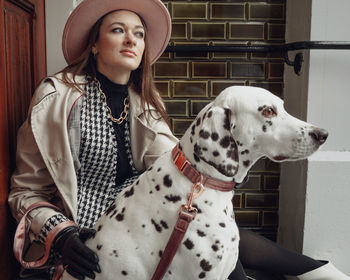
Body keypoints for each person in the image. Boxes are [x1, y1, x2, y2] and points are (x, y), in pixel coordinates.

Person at [8, 0, 350, 279]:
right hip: (83, 241)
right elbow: (25, 192)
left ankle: (320, 272)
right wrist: (60, 234)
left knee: (221, 238)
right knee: (215, 243)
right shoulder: (57, 97)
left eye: (139, 34)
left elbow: (180, 168)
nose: (131, 39)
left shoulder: (146, 105)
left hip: (140, 222)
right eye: (118, 30)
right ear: (94, 44)